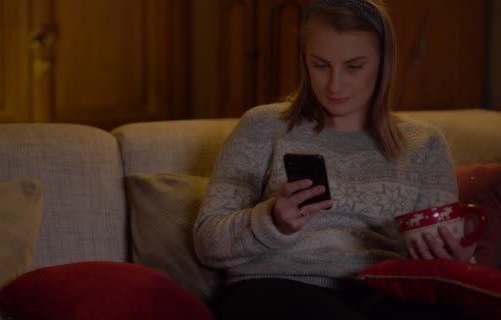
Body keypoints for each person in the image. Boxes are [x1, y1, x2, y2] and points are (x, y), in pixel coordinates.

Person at [193, 0, 474, 319]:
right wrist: (271, 219)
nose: (334, 85)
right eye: (320, 65)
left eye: (354, 66)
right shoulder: (262, 127)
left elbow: (440, 258)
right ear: (304, 59)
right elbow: (207, 244)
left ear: (383, 63)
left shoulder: (425, 144)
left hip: (385, 293)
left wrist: (458, 260)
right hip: (280, 288)